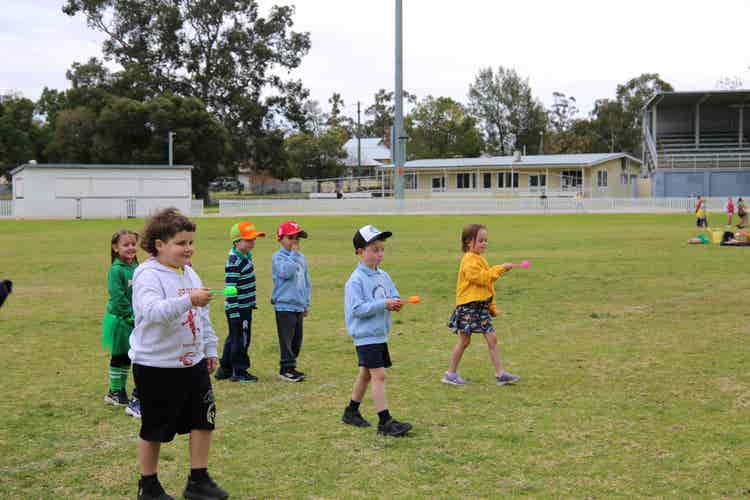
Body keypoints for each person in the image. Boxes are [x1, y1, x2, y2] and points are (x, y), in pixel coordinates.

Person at [129, 208, 227, 500]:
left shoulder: (190, 272)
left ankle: (198, 480)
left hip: (193, 363)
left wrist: (209, 349)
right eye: (181, 243)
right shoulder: (147, 274)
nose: (188, 249)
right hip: (157, 365)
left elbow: (203, 315)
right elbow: (153, 312)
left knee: (203, 419)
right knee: (155, 428)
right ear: (159, 244)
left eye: (191, 243)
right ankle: (148, 485)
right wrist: (188, 300)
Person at [341, 225, 412, 437]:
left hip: (379, 333)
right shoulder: (355, 280)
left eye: (381, 249)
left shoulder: (383, 275)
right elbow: (357, 309)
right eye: (374, 249)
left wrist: (396, 302)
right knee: (379, 375)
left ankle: (351, 412)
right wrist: (384, 304)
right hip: (365, 335)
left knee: (366, 374)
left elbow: (392, 294)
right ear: (360, 252)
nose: (379, 254)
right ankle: (385, 421)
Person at [443, 224, 521, 386]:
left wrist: (491, 307)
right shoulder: (468, 260)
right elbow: (481, 278)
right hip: (469, 307)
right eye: (480, 240)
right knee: (464, 341)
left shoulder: (479, 259)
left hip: (480, 308)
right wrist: (500, 268)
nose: (484, 243)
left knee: (492, 339)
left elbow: (487, 287)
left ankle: (500, 374)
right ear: (468, 242)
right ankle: (450, 374)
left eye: (486, 240)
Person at [215, 222, 265, 383]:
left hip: (245, 306)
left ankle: (225, 368)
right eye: (248, 240)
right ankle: (240, 371)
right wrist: (235, 312)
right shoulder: (235, 261)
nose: (253, 243)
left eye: (254, 239)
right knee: (242, 339)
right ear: (237, 242)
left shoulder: (245, 256)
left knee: (233, 337)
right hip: (238, 309)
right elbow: (230, 288)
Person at [102, 229, 142, 418]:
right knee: (119, 356)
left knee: (128, 355)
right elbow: (117, 296)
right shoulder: (116, 270)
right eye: (126, 245)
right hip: (121, 319)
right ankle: (114, 392)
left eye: (133, 244)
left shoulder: (136, 266)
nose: (131, 248)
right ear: (115, 248)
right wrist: (129, 314)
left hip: (134, 317)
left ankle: (118, 391)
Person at [271, 221, 311, 382]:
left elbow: (306, 281)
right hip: (284, 305)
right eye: (291, 238)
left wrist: (306, 303)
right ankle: (285, 368)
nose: (295, 242)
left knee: (297, 339)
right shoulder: (278, 257)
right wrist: (293, 255)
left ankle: (292, 366)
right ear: (280, 239)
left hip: (298, 305)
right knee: (286, 339)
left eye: (297, 238)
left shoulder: (302, 258)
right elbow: (285, 272)